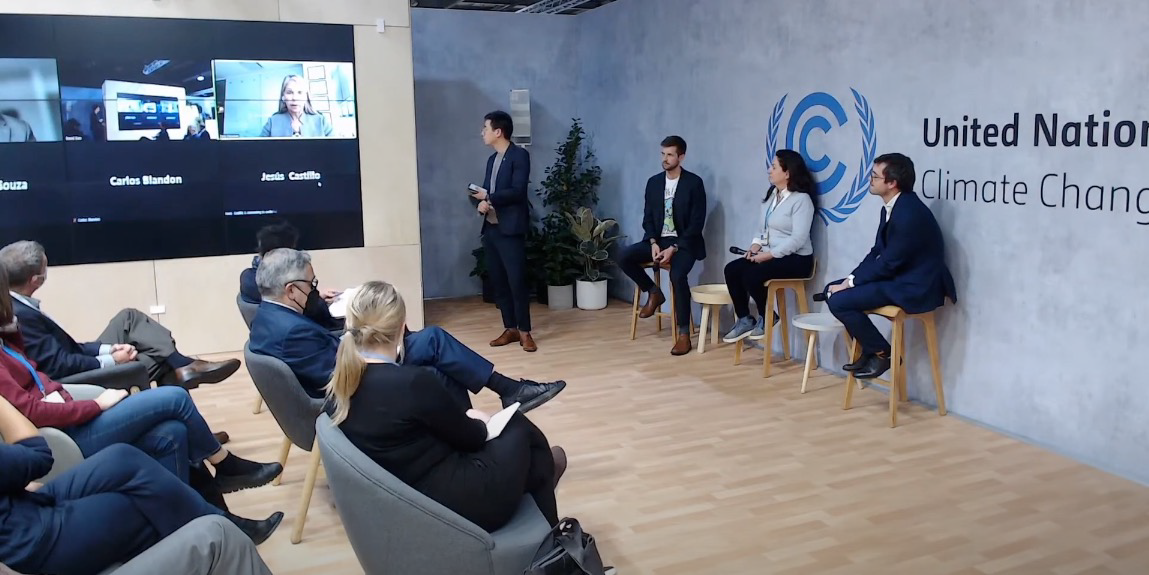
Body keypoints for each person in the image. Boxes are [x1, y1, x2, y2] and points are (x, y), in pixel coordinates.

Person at [0, 265, 282, 494]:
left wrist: (9, 331)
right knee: (175, 397)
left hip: (70, 408)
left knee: (173, 432)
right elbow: (32, 409)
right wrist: (97, 405)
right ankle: (224, 463)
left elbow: (36, 371)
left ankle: (206, 518)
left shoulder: (7, 339)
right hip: (67, 432)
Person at [324, 281, 565, 531]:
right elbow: (474, 440)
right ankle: (545, 495)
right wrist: (477, 418)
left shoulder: (338, 385)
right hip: (457, 505)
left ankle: (541, 483)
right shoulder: (412, 383)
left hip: (406, 495)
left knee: (530, 456)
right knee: (518, 425)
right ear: (402, 327)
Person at [248, 249, 565, 412]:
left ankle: (495, 406)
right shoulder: (292, 333)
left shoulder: (269, 316)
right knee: (433, 344)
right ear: (290, 290)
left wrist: (318, 301)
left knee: (436, 361)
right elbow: (336, 376)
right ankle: (505, 394)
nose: (315, 288)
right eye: (311, 285)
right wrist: (370, 336)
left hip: (340, 371)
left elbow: (317, 345)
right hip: (346, 393)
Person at [0, 395, 282, 575]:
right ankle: (223, 521)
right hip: (27, 539)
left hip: (19, 503)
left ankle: (220, 504)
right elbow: (37, 455)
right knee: (155, 500)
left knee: (124, 457)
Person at [0, 240, 240, 389]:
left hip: (78, 359)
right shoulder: (20, 316)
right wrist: (112, 360)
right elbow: (59, 366)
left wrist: (108, 350)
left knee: (129, 317)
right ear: (36, 281)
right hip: (76, 381)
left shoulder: (17, 303)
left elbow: (63, 350)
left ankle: (183, 365)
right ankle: (183, 372)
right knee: (158, 357)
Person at [820, 152, 957, 379]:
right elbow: (877, 252)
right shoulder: (894, 206)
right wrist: (849, 280)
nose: (870, 180)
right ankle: (869, 350)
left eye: (874, 176)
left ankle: (883, 353)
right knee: (832, 290)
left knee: (839, 299)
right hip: (899, 276)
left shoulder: (909, 213)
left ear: (892, 183)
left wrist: (850, 284)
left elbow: (889, 262)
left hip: (914, 285)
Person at [617, 135, 708, 355]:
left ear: (681, 157)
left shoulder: (694, 183)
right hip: (658, 240)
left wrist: (675, 247)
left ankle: (684, 334)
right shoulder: (654, 182)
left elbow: (697, 223)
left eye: (670, 154)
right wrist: (653, 242)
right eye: (663, 154)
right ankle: (653, 292)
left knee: (677, 276)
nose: (665, 159)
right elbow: (647, 218)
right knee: (623, 257)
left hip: (685, 243)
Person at [722, 150, 817, 343]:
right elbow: (761, 230)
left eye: (774, 167)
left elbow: (798, 239)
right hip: (772, 255)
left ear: (787, 173)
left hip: (797, 259)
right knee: (732, 269)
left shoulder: (801, 200)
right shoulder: (772, 196)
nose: (769, 170)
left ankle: (768, 316)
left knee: (752, 275)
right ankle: (744, 318)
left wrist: (769, 255)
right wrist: (755, 247)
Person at [470, 111, 536, 352]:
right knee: (499, 281)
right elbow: (489, 190)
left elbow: (518, 191)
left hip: (511, 229)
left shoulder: (520, 156)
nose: (482, 132)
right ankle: (510, 328)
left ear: (498, 131)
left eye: (485, 128)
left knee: (517, 281)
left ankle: (525, 332)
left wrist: (489, 196)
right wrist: (481, 202)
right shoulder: (491, 160)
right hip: (492, 228)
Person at [239, 221, 344, 333]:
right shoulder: (278, 285)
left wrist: (310, 296)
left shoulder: (249, 278)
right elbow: (321, 316)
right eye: (294, 249)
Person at [259, 75, 332, 138]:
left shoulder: (321, 120)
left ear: (306, 97)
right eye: (289, 92)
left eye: (300, 92)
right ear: (283, 97)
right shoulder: (272, 121)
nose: (294, 98)